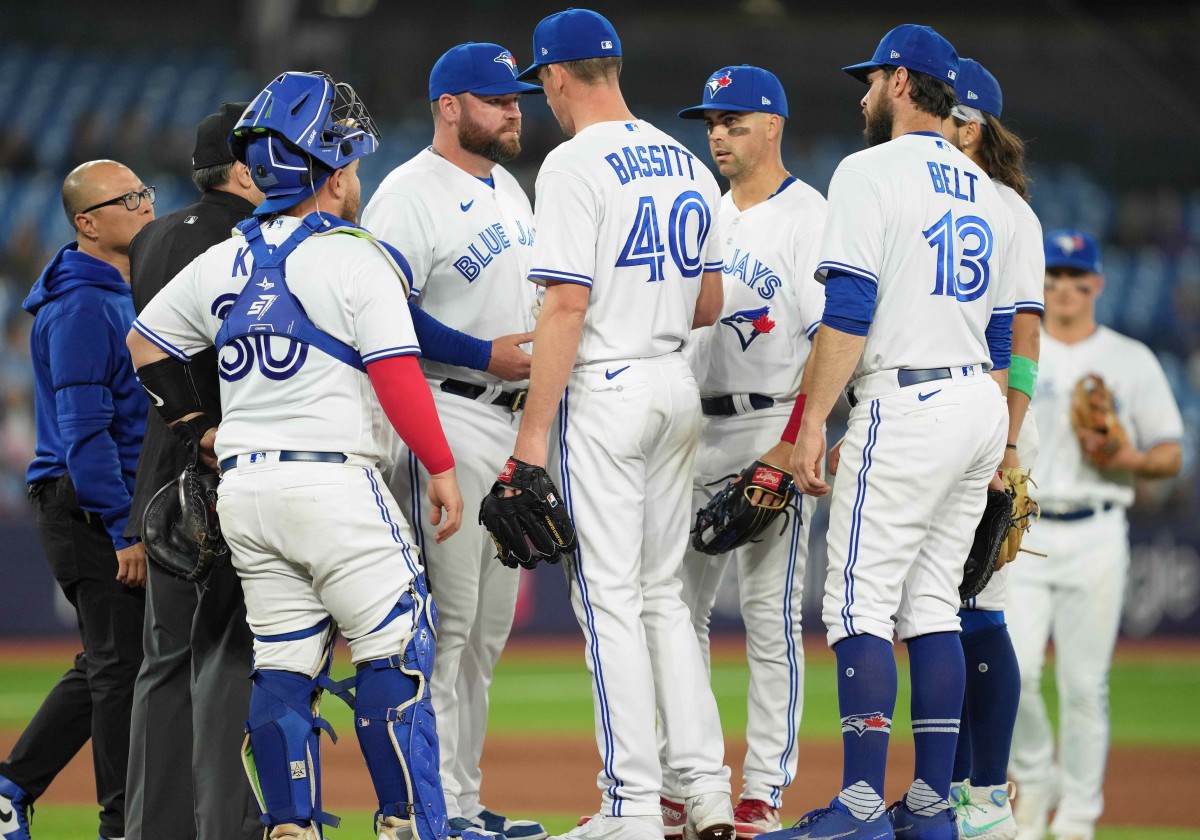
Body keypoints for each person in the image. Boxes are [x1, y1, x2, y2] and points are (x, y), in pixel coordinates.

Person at [125, 71, 487, 840]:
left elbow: (145, 344)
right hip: (334, 486)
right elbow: (396, 373)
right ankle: (410, 826)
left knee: (285, 666)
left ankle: (293, 826)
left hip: (248, 493)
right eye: (351, 164)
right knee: (400, 649)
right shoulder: (354, 257)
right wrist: (444, 467)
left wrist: (198, 424)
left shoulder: (225, 259)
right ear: (330, 171)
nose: (357, 178)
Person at [758, 24, 1014, 840]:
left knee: (857, 603)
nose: (864, 94)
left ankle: (864, 807)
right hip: (976, 401)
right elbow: (1006, 335)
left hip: (906, 403)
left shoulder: (868, 170)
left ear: (902, 81)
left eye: (871, 80)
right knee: (934, 602)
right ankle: (933, 807)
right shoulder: (987, 191)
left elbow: (850, 311)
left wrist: (807, 428)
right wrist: (1001, 442)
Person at [501, 10, 732, 840]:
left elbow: (565, 303)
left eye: (543, 83)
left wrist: (531, 440)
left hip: (606, 386)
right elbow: (709, 300)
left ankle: (631, 808)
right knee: (663, 598)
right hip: (676, 382)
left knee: (609, 603)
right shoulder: (683, 159)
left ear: (558, 77)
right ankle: (704, 791)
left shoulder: (570, 163)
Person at [360, 42, 545, 840]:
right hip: (449, 408)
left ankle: (464, 802)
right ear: (449, 106)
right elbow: (380, 309)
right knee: (452, 626)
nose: (515, 110)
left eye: (516, 99)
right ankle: (434, 809)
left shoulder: (509, 186)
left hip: (512, 420)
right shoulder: (406, 193)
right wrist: (482, 355)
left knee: (489, 633)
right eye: (497, 99)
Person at [665, 65, 826, 838]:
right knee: (675, 613)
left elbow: (837, 338)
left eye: (733, 120)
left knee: (769, 617)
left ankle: (762, 790)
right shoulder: (703, 212)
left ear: (773, 125)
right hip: (691, 429)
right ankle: (684, 781)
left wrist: (799, 440)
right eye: (711, 122)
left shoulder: (811, 216)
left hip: (770, 425)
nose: (718, 134)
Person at [1006, 230, 1183, 840]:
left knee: (1085, 686)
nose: (1063, 290)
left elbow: (1170, 455)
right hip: (1025, 529)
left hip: (1098, 531)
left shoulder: (1130, 358)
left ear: (1097, 286)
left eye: (1076, 279)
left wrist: (1127, 455)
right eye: (1052, 278)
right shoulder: (1020, 350)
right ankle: (1034, 777)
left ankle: (1078, 818)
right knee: (1017, 672)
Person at [0, 159, 155, 840]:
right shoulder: (81, 306)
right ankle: (121, 823)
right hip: (88, 503)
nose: (145, 205)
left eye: (145, 191)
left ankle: (10, 789)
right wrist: (122, 528)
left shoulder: (126, 288)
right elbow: (84, 431)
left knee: (108, 660)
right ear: (87, 222)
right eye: (127, 199)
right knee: (119, 666)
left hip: (112, 498)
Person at [123, 101, 264, 840]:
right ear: (245, 168)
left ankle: (155, 829)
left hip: (160, 470)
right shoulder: (248, 238)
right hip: (218, 465)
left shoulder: (149, 237)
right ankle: (230, 826)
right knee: (230, 656)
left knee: (163, 665)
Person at [936, 59, 1044, 840]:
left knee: (982, 604)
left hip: (994, 413)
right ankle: (954, 795)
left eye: (944, 115)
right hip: (955, 412)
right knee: (944, 607)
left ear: (968, 126)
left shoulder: (1006, 208)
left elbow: (1025, 338)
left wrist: (1009, 439)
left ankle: (986, 796)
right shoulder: (948, 198)